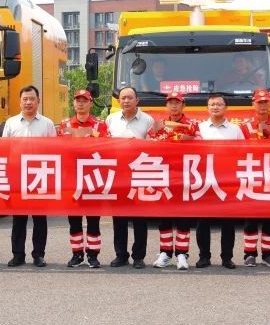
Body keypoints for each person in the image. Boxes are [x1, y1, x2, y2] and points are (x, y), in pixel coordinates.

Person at [2, 85, 57, 267]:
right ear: (20, 102)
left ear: (38, 101)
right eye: (25, 99)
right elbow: (3, 150)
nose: (28, 102)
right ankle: (18, 254)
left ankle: (38, 254)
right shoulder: (11, 123)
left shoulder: (47, 124)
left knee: (40, 218)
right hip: (18, 176)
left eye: (32, 99)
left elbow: (55, 151)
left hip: (40, 175)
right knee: (19, 218)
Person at [57, 89, 109, 268]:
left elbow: (106, 148)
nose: (80, 103)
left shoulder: (100, 125)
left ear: (90, 103)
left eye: (84, 100)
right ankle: (77, 254)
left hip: (93, 177)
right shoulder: (64, 125)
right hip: (71, 178)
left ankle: (93, 255)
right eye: (77, 100)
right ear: (73, 103)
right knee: (74, 220)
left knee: (93, 219)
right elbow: (57, 149)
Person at [239, 88, 270, 267]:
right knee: (250, 218)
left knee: (269, 218)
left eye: (266, 102)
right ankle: (249, 254)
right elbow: (237, 151)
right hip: (251, 175)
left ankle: (268, 254)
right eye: (259, 102)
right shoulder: (244, 127)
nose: (263, 105)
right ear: (253, 104)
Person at [104, 86, 152, 268]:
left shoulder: (147, 120)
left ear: (137, 100)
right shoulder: (111, 119)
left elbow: (153, 147)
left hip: (140, 173)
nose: (126, 101)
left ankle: (138, 256)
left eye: (129, 98)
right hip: (117, 175)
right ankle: (121, 255)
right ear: (119, 101)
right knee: (119, 218)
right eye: (123, 98)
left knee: (140, 218)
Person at [150, 91, 198, 270]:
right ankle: (165, 252)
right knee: (164, 216)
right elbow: (151, 144)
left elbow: (199, 145)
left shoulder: (192, 125)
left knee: (183, 217)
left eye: (177, 102)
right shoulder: (159, 125)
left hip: (185, 176)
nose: (174, 105)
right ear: (166, 105)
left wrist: (179, 138)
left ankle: (182, 254)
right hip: (163, 175)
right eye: (170, 102)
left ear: (183, 105)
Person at [194, 94, 242, 269]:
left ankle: (227, 257)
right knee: (202, 221)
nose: (215, 107)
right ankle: (204, 256)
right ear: (207, 108)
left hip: (227, 180)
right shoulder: (199, 129)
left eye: (219, 104)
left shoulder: (235, 130)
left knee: (228, 222)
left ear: (226, 107)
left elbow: (243, 153)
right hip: (204, 180)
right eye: (212, 104)